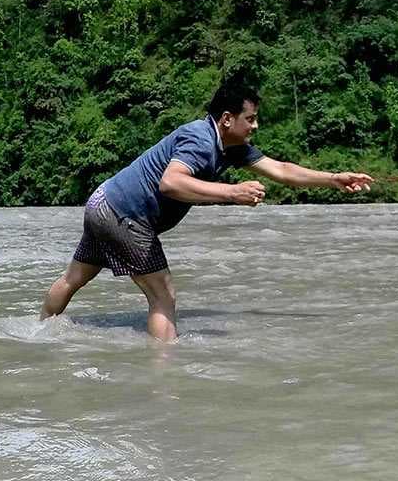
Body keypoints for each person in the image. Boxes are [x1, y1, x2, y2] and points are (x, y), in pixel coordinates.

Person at [39, 76, 374, 341]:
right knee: (164, 297)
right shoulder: (201, 140)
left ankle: (39, 335)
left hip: (102, 202)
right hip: (125, 214)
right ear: (227, 119)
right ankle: (165, 376)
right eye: (251, 119)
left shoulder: (232, 148)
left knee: (74, 278)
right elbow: (171, 183)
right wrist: (231, 192)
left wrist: (333, 179)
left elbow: (282, 170)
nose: (255, 126)